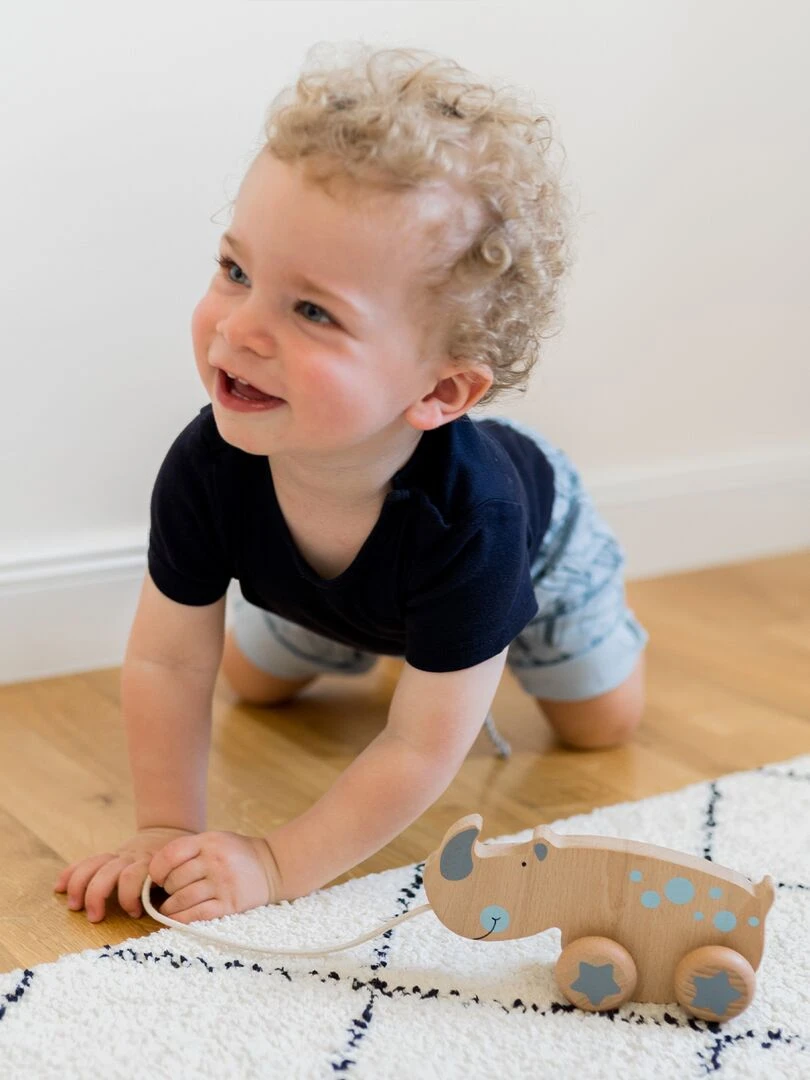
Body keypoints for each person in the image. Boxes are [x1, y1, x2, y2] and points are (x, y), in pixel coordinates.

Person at [54, 43, 648, 927]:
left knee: (599, 725)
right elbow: (169, 656)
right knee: (254, 686)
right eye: (236, 271)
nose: (241, 330)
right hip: (333, 592)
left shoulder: (474, 521)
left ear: (440, 390)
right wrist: (164, 829)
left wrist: (276, 862)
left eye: (313, 311)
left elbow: (417, 746)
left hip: (543, 549)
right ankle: (417, 647)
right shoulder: (209, 464)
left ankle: (475, 649)